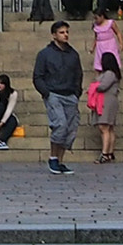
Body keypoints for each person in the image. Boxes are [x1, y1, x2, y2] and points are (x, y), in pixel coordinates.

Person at [32, 21, 82, 176]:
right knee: (60, 124)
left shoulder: (73, 54)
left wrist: (76, 92)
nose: (65, 35)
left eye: (67, 32)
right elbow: (38, 76)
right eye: (61, 32)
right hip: (54, 94)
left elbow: (78, 74)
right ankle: (53, 157)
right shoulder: (45, 54)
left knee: (70, 129)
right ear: (54, 35)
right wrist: (46, 93)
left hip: (70, 94)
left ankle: (60, 161)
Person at [91, 51, 122, 163]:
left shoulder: (109, 74)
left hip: (106, 102)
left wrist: (95, 85)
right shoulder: (114, 73)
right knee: (109, 128)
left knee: (104, 127)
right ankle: (110, 152)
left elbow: (102, 86)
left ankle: (105, 153)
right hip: (109, 101)